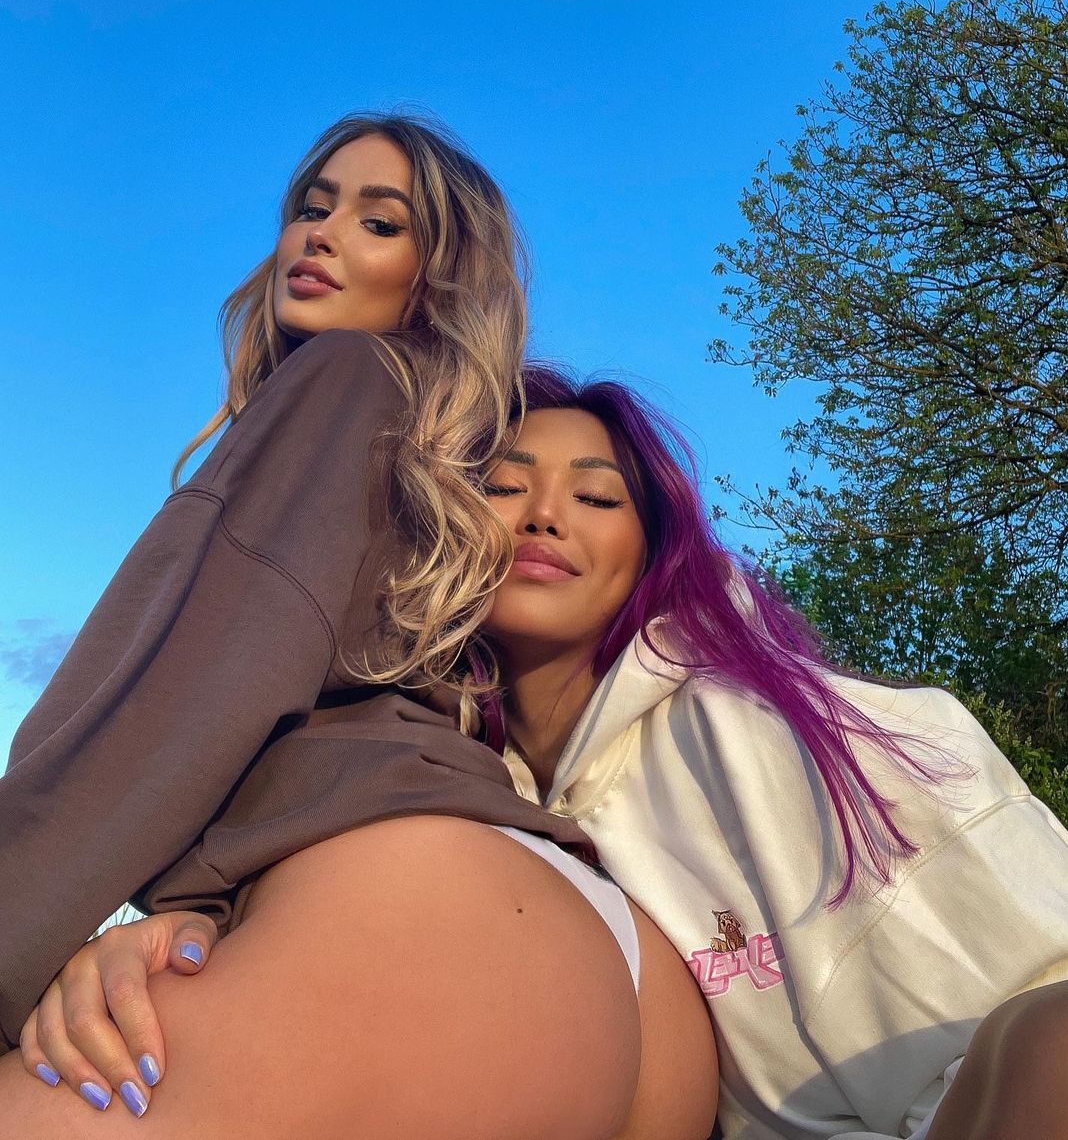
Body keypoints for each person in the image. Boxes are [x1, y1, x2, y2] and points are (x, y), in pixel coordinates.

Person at [23, 364, 1068, 1139]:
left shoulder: (777, 726)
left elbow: (1041, 990)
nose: (543, 515)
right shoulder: (449, 770)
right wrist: (183, 931)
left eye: (597, 495)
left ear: (652, 549)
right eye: (503, 483)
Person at [0, 115, 721, 1137]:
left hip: (410, 922)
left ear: (437, 278)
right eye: (311, 207)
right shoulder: (434, 470)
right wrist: (196, 917)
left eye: (379, 222)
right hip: (618, 980)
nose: (323, 234)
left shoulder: (346, 376)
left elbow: (160, 720)